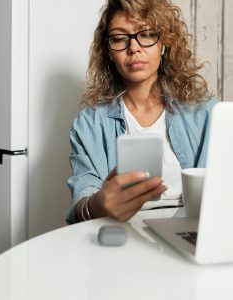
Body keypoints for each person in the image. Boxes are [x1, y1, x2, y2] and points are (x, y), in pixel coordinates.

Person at [66, 0, 217, 224]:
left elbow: (219, 193)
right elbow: (83, 196)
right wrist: (96, 205)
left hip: (190, 233)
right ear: (108, 51)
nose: (134, 47)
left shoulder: (205, 113)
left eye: (146, 34)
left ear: (164, 43)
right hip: (121, 237)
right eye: (119, 38)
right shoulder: (89, 124)